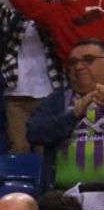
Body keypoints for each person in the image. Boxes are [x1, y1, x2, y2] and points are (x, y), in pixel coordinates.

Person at [28, 40, 104, 190]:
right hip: (63, 197)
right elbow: (35, 133)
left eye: (88, 60)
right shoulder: (57, 101)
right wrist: (73, 115)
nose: (79, 66)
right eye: (73, 62)